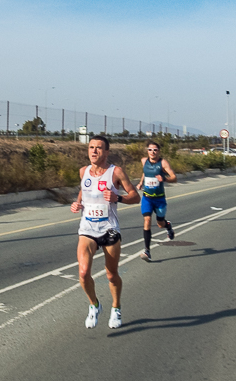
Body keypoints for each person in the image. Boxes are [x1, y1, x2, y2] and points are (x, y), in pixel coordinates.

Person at [70, 135, 139, 329]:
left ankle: (116, 307)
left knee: (111, 274)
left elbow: (136, 197)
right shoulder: (83, 171)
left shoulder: (115, 172)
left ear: (106, 152)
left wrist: (118, 198)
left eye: (98, 148)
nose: (94, 151)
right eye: (91, 147)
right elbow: (84, 191)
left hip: (108, 228)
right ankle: (94, 305)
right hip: (87, 229)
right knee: (83, 273)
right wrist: (78, 203)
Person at [139, 140, 177, 262]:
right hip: (147, 197)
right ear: (147, 151)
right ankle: (147, 251)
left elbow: (174, 178)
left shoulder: (163, 163)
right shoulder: (144, 161)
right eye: (150, 149)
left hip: (159, 199)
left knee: (160, 224)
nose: (152, 152)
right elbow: (145, 173)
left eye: (155, 150)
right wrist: (141, 183)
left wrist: (164, 178)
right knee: (147, 220)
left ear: (159, 152)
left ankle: (168, 226)